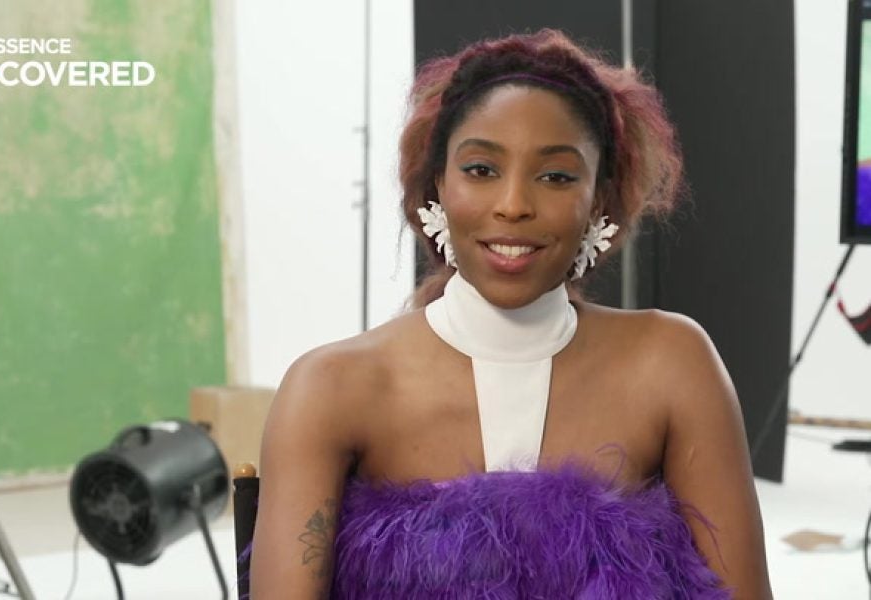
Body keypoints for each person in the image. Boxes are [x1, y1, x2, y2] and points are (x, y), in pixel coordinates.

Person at [249, 28, 773, 599]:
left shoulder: (672, 364)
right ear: (437, 184)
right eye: (481, 169)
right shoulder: (329, 389)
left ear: (599, 199)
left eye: (556, 176)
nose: (514, 205)